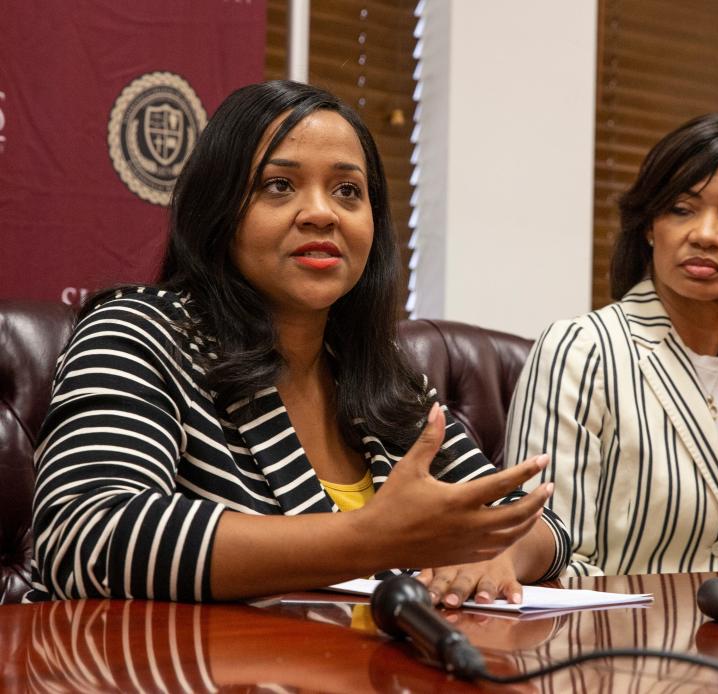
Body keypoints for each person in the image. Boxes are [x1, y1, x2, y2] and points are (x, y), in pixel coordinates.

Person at [29, 80, 570, 604]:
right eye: (279, 186)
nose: (322, 212)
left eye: (347, 191)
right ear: (219, 210)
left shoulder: (387, 380)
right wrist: (367, 540)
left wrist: (499, 554)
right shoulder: (141, 333)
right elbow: (86, 534)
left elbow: (541, 529)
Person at [505, 113, 718, 576]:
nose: (705, 234)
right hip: (603, 642)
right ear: (649, 226)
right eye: (681, 209)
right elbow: (548, 559)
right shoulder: (582, 352)